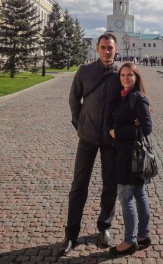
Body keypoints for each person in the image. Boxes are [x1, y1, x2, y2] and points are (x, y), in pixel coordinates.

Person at [58, 33, 122, 257]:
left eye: (110, 48)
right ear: (97, 49)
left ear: (116, 50)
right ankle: (71, 234)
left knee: (109, 184)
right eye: (103, 47)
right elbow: (74, 98)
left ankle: (104, 227)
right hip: (87, 136)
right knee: (79, 185)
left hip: (110, 139)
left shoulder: (120, 74)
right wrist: (79, 123)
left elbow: (130, 101)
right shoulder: (84, 71)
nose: (107, 51)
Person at [109, 62, 153, 257]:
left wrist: (118, 132)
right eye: (122, 75)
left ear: (136, 77)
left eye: (129, 75)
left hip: (130, 155)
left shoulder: (138, 98)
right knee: (139, 193)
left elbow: (146, 128)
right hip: (128, 153)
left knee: (126, 196)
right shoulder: (125, 96)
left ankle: (130, 240)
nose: (125, 78)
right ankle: (143, 235)